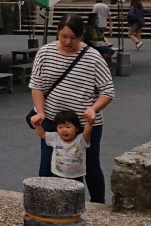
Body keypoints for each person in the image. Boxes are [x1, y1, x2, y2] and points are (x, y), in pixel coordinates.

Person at [28, 15, 115, 203]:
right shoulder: (45, 53)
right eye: (64, 36)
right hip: (53, 120)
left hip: (85, 123)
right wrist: (40, 112)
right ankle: (46, 204)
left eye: (73, 38)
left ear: (81, 35)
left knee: (90, 165)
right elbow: (37, 86)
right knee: (48, 164)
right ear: (57, 32)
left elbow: (107, 91)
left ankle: (97, 205)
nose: (68, 42)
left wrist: (94, 109)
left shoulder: (93, 57)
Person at [31, 109, 93, 185]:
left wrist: (89, 123)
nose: (64, 130)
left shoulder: (80, 140)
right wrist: (37, 126)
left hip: (76, 176)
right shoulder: (55, 138)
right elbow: (43, 134)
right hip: (58, 174)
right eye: (60, 127)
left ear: (76, 128)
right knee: (58, 191)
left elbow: (87, 132)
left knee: (76, 192)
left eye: (68, 127)